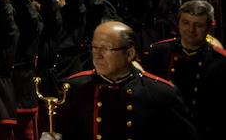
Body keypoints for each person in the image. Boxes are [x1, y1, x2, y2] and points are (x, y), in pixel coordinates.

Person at [56, 20, 198, 140]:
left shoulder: (160, 93)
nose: (97, 55)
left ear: (129, 54)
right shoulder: (74, 88)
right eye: (94, 48)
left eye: (106, 48)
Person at [145, 0, 226, 138]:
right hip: (164, 129)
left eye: (198, 25)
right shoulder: (159, 52)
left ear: (209, 28)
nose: (191, 29)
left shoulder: (220, 61)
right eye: (186, 23)